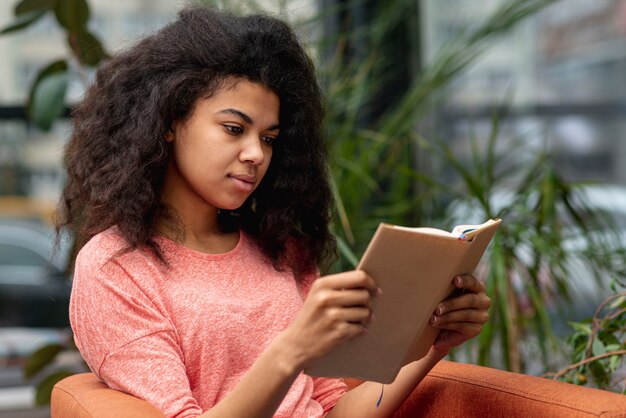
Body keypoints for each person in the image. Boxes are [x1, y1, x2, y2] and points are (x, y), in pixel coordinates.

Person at [59, 6, 491, 418]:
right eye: (234, 129)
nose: (254, 154)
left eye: (268, 138)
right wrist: (292, 349)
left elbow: (332, 410)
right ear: (169, 121)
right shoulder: (116, 268)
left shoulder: (280, 248)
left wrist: (435, 342)